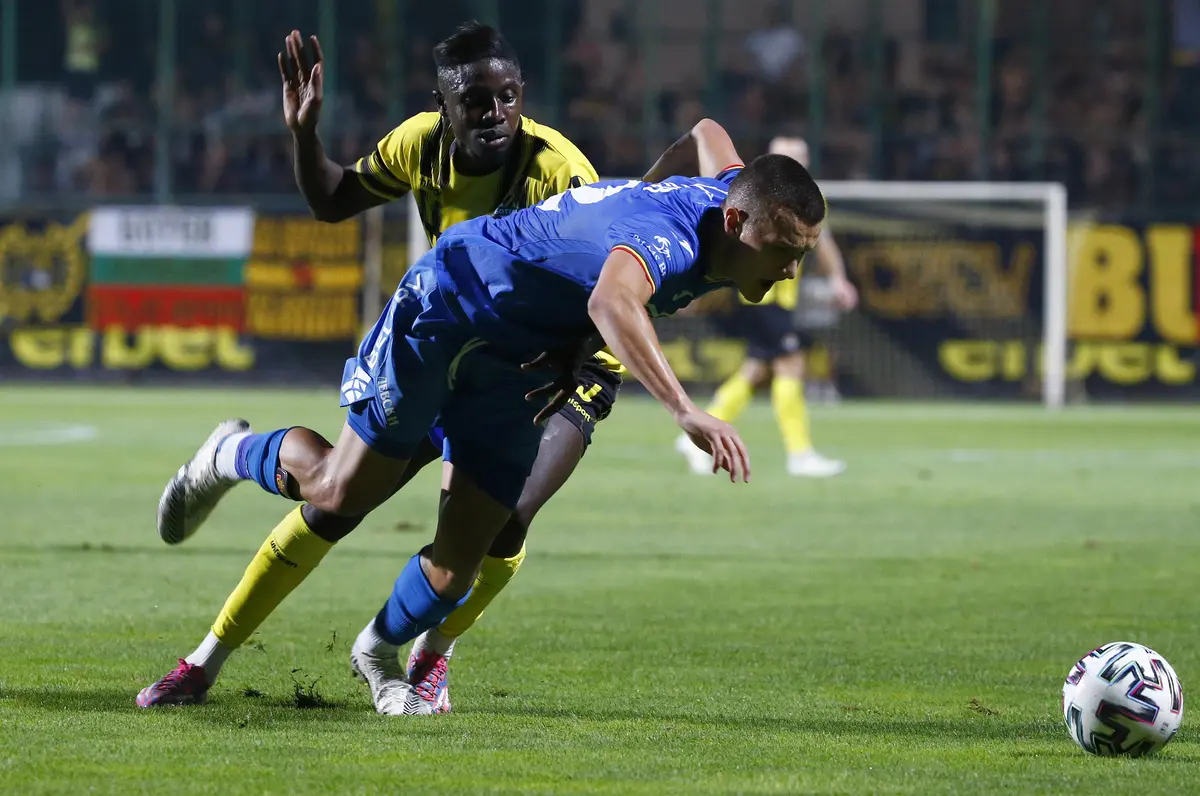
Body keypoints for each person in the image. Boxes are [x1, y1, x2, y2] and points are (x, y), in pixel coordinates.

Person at [155, 118, 824, 717]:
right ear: (735, 223)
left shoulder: (729, 191)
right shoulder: (667, 239)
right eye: (783, 250)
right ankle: (231, 452)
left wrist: (639, 191)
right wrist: (684, 408)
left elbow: (706, 132)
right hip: (449, 307)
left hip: (519, 359)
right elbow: (611, 302)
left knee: (459, 563)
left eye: (802, 253)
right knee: (337, 492)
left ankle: (377, 650)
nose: (792, 270)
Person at [137, 21, 605, 712]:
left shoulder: (560, 173)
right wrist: (304, 136)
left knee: (501, 524)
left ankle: (428, 658)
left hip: (564, 361)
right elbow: (332, 201)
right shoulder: (421, 142)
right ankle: (205, 652)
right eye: (476, 101)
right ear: (444, 106)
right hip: (451, 348)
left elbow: (608, 286)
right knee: (334, 499)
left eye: (508, 97)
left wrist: (575, 358)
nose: (495, 113)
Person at [675, 136, 857, 478]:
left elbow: (824, 241)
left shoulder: (810, 199)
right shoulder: (762, 197)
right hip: (763, 295)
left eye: (801, 157)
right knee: (791, 364)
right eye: (789, 157)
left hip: (780, 298)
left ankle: (697, 434)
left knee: (756, 371)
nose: (796, 163)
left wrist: (838, 278)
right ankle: (800, 454)